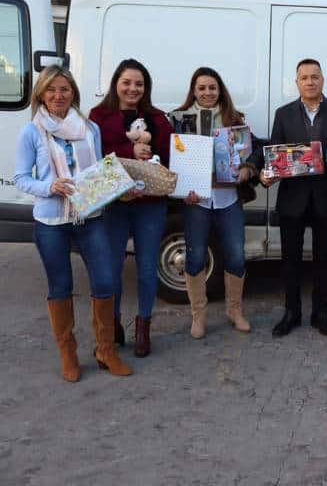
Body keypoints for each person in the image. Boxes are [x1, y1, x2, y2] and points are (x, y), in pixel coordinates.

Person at [14, 66, 131, 381]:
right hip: (51, 220)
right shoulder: (33, 131)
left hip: (89, 217)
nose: (58, 96)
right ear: (41, 94)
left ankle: (105, 350)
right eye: (51, 90)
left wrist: (119, 182)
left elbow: (96, 170)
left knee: (106, 281)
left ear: (73, 93)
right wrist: (48, 187)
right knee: (61, 286)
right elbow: (20, 177)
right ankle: (67, 352)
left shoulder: (89, 128)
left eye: (64, 89)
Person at [259, 58, 327, 337]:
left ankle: (320, 314)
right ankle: (291, 313)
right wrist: (268, 174)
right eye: (304, 77)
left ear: (323, 80)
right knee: (290, 260)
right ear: (297, 82)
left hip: (326, 198)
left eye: (315, 76)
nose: (310, 82)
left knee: (323, 260)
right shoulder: (283, 114)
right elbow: (275, 153)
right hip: (292, 200)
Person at [89, 59, 173, 357]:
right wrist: (129, 151)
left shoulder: (158, 118)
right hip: (114, 203)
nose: (133, 88)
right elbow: (93, 157)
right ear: (116, 83)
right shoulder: (98, 117)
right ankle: (112, 327)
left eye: (139, 84)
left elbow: (168, 155)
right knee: (111, 268)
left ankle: (143, 327)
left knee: (148, 267)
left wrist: (153, 157)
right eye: (127, 82)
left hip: (150, 204)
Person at [173, 67, 261, 339]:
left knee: (236, 255)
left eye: (212, 87)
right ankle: (198, 315)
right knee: (196, 256)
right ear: (194, 91)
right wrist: (179, 189)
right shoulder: (179, 120)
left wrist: (247, 168)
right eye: (202, 88)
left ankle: (234, 310)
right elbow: (172, 158)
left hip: (228, 200)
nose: (207, 92)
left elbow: (254, 151)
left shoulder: (235, 120)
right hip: (195, 201)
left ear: (220, 89)